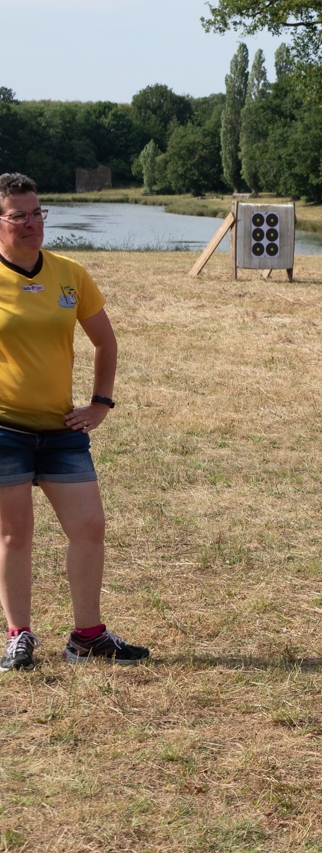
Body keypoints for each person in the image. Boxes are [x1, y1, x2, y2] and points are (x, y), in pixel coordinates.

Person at [0, 172, 148, 671]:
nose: (31, 223)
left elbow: (105, 341)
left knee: (89, 527)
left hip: (62, 430)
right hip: (5, 430)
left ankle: (87, 638)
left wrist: (100, 403)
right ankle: (19, 635)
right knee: (15, 534)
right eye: (18, 216)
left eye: (37, 213)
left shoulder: (70, 273)